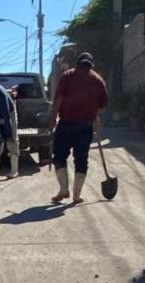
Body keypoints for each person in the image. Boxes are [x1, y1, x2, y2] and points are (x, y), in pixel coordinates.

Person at [48, 52, 108, 204]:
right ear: (91, 64)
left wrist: (53, 117)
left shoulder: (68, 75)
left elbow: (58, 99)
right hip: (85, 126)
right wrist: (95, 115)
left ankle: (63, 189)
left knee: (59, 156)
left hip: (66, 124)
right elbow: (102, 105)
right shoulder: (98, 79)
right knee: (81, 159)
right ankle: (76, 195)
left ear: (78, 63)